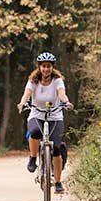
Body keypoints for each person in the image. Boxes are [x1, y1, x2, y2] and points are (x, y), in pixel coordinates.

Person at [16, 52, 72, 193]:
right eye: (43, 66)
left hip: (55, 117)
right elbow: (27, 94)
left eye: (48, 66)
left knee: (57, 149)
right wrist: (23, 103)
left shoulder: (57, 80)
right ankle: (33, 158)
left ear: (52, 67)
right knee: (34, 132)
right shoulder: (33, 80)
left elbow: (61, 93)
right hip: (37, 114)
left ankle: (58, 182)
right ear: (39, 67)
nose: (46, 69)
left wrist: (66, 102)